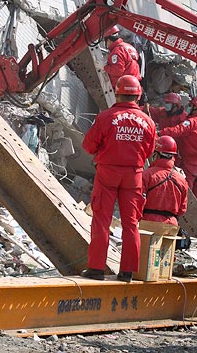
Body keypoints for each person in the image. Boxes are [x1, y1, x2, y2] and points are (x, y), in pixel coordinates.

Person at [81, 75, 156, 283]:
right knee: (131, 224)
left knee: (102, 220)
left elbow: (88, 146)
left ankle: (96, 268)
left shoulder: (106, 117)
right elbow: (149, 151)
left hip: (107, 173)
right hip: (133, 175)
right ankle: (127, 272)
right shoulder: (148, 122)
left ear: (117, 92)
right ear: (138, 95)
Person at [160, 96, 197, 210]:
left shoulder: (192, 122)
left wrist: (160, 133)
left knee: (182, 194)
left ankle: (179, 220)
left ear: (196, 108)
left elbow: (178, 130)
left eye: (191, 105)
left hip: (188, 164)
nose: (188, 107)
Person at [141, 136, 188, 226]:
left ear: (156, 154)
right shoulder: (182, 179)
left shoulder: (147, 175)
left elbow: (137, 202)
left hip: (147, 223)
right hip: (171, 226)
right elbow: (182, 209)